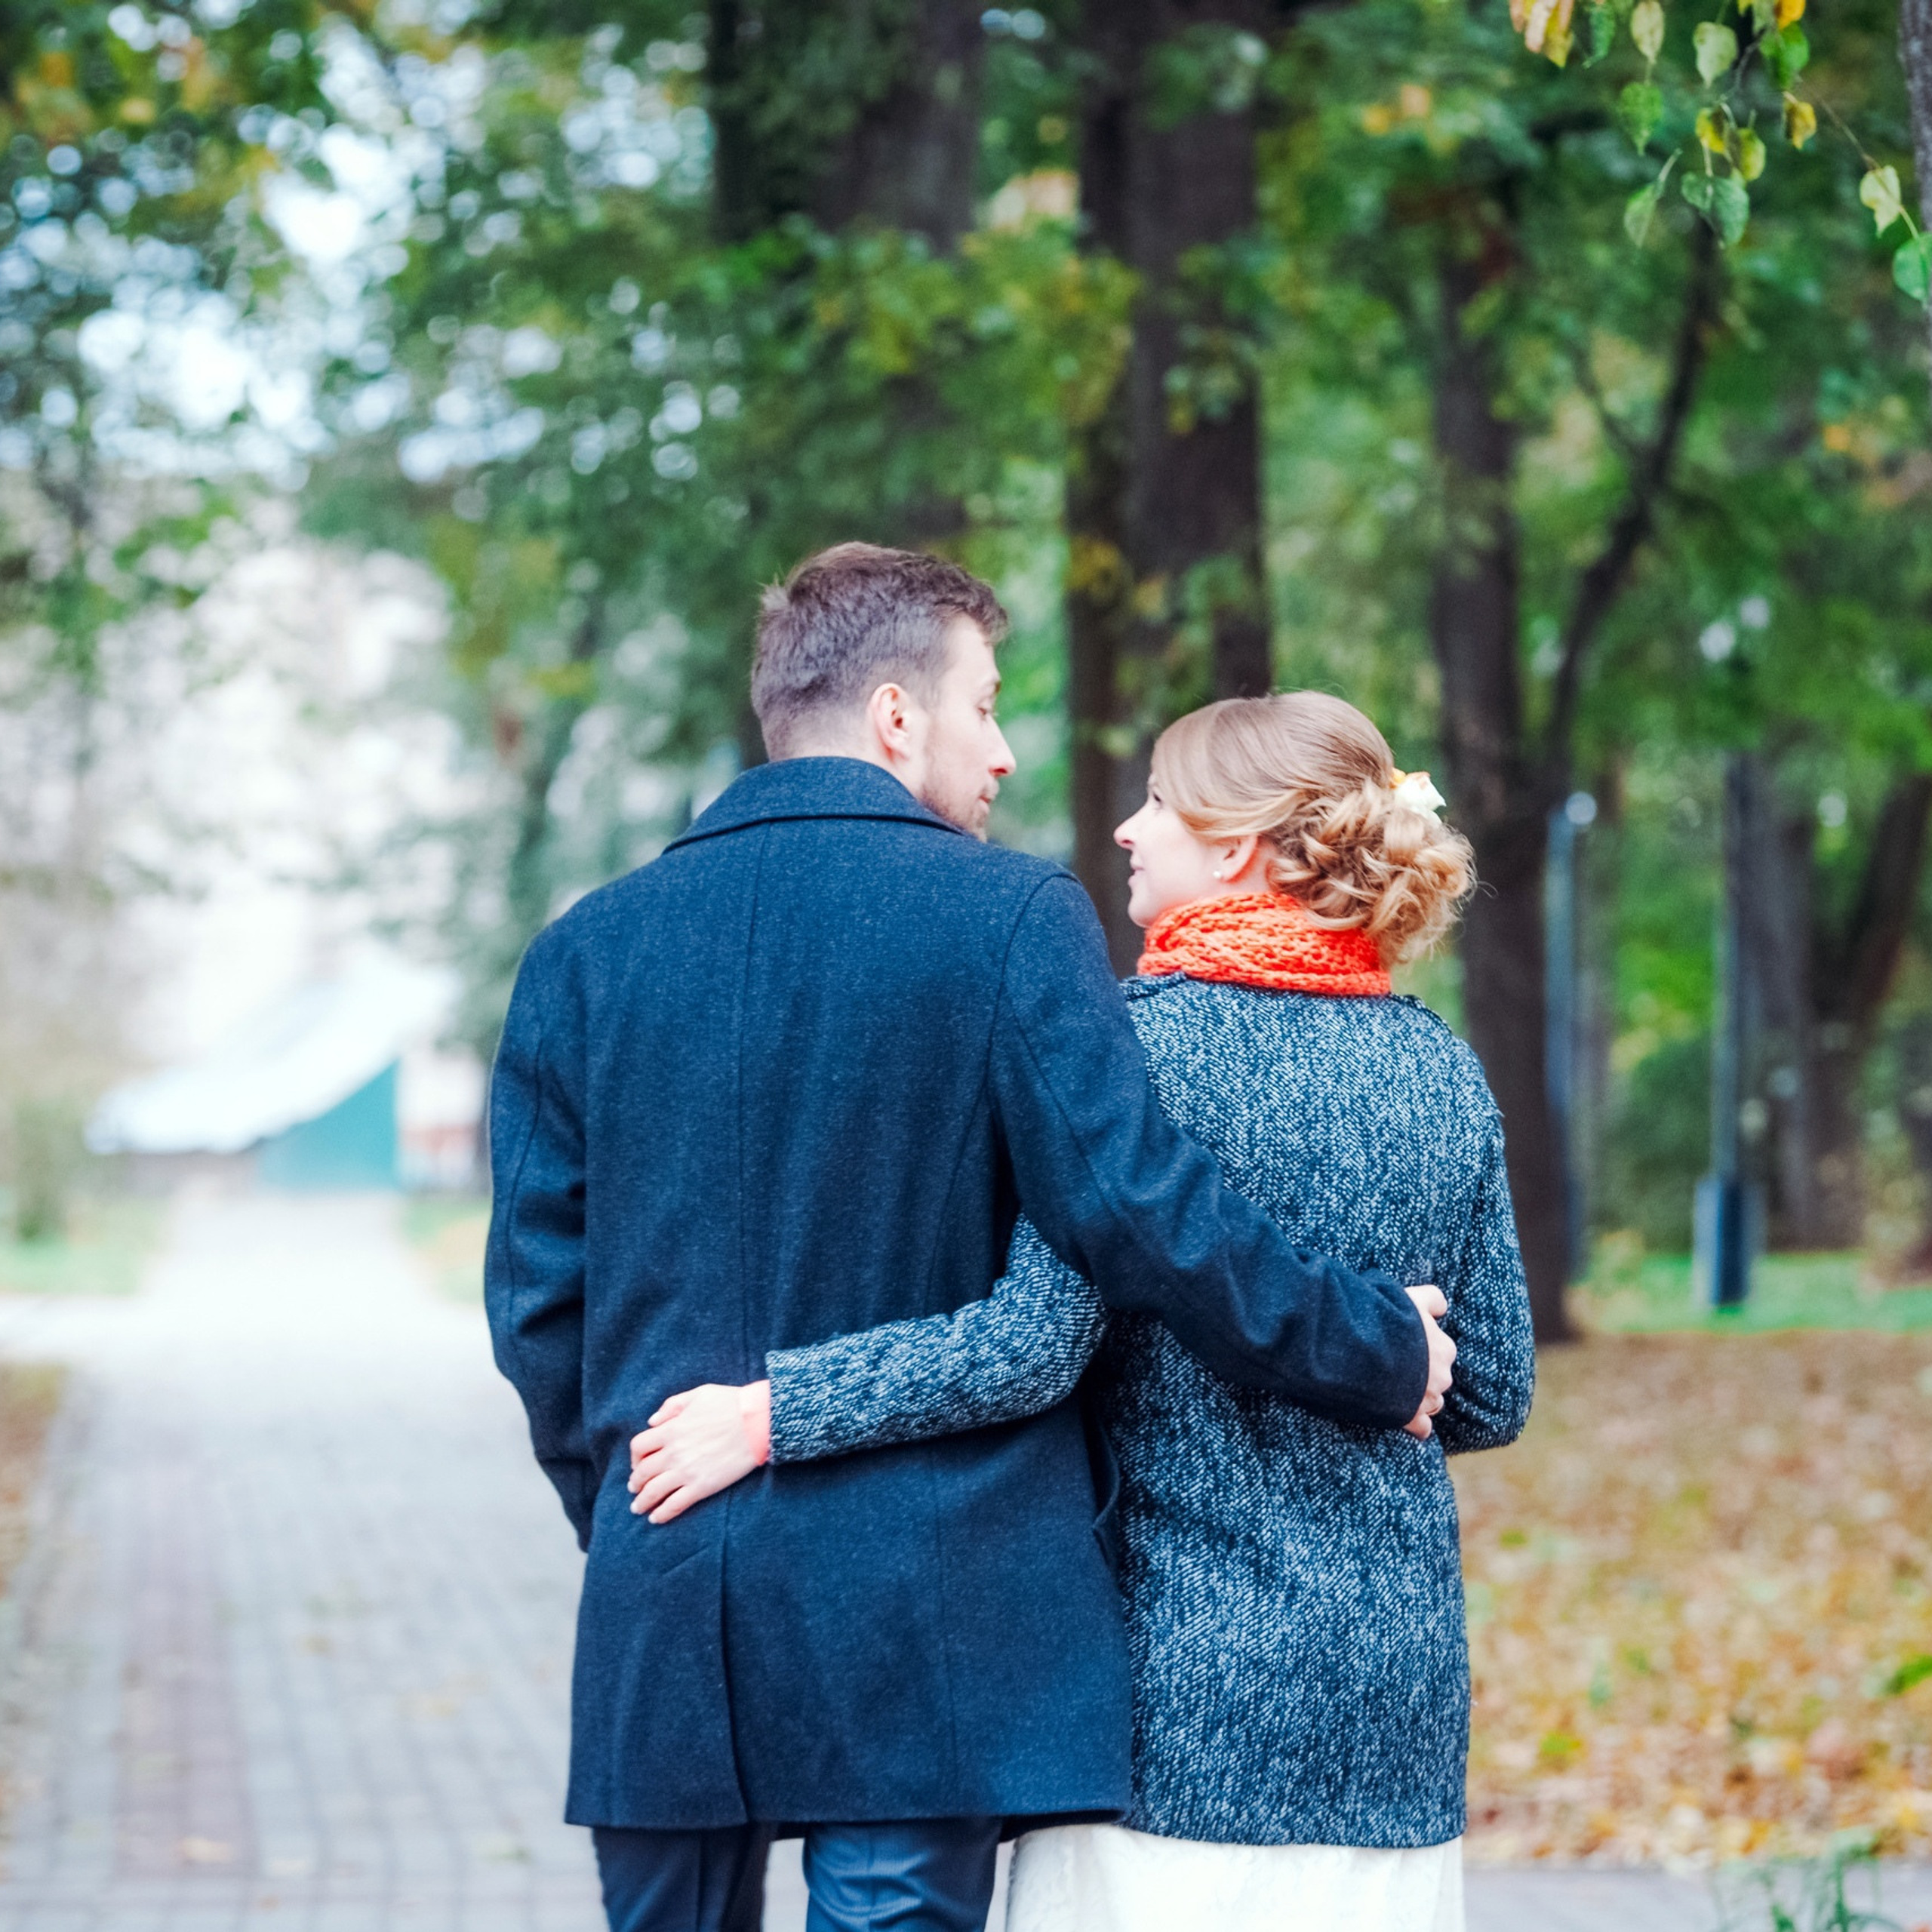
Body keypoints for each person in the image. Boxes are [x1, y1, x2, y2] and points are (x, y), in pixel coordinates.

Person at [485, 545, 1456, 1932]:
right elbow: (1138, 1212)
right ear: (897, 716)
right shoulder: (1010, 920)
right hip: (923, 1622)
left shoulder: (585, 950)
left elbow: (536, 1303)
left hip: (672, 1586)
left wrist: (633, 1519)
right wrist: (1374, 1347)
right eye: (985, 705)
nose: (1001, 751)